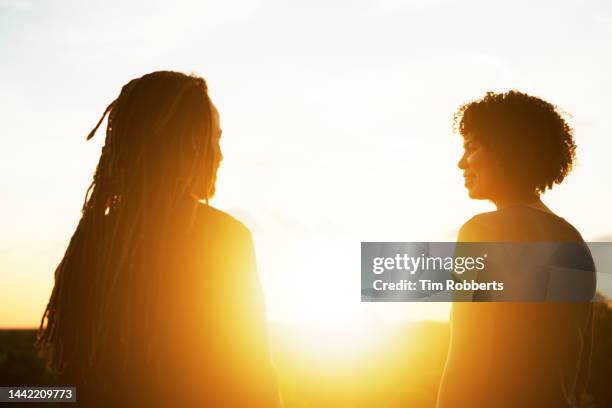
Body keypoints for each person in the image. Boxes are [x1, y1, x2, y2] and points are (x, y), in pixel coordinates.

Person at [36, 71, 281, 407]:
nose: (220, 155)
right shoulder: (223, 241)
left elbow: (70, 385)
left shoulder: (88, 247)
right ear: (187, 142)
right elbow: (253, 381)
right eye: (214, 137)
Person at [437, 91, 596, 408]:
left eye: (472, 148)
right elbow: (577, 369)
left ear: (504, 151)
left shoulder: (482, 231)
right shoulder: (573, 240)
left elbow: (467, 360)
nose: (460, 162)